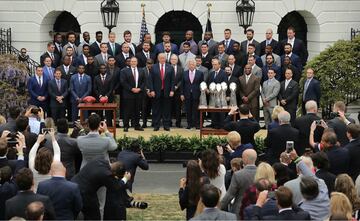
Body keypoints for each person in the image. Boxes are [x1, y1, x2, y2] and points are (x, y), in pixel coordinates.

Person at [289, 149, 330, 220]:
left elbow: (311, 176)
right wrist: (297, 158)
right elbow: (311, 176)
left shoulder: (303, 210)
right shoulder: (322, 187)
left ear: (303, 193)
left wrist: (297, 159)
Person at [220, 149, 257, 218]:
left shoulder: (238, 175)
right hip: (257, 210)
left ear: (245, 159)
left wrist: (218, 207)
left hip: (240, 210)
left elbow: (230, 194)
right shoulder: (261, 173)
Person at [148, 53, 175, 131]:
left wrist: (172, 90)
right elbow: (150, 80)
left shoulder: (170, 67)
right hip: (156, 92)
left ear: (166, 59)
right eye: (161, 58)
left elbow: (173, 80)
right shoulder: (153, 67)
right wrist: (152, 90)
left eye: (164, 58)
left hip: (167, 92)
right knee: (156, 109)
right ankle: (156, 125)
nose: (162, 59)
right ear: (158, 58)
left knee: (166, 109)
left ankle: (166, 125)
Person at [121, 57, 146, 132]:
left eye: (135, 61)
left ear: (137, 62)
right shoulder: (124, 71)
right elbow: (123, 82)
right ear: (130, 62)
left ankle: (137, 125)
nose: (133, 63)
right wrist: (131, 89)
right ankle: (126, 126)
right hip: (128, 94)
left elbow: (144, 81)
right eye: (132, 61)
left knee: (137, 111)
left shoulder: (141, 70)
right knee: (127, 111)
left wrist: (140, 89)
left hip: (139, 94)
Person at [181, 59, 203, 129]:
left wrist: (201, 95)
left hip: (196, 94)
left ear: (195, 65)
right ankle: (189, 124)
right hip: (187, 94)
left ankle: (196, 124)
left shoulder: (200, 73)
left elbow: (202, 84)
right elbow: (182, 85)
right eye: (190, 64)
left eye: (193, 64)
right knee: (188, 110)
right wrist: (182, 94)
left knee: (196, 110)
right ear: (188, 65)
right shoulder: (184, 73)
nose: (191, 66)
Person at [206, 58, 227, 129]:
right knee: (213, 111)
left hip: (220, 96)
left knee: (220, 112)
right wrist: (207, 89)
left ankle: (221, 125)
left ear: (219, 65)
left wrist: (216, 91)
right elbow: (208, 83)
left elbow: (224, 84)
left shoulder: (223, 73)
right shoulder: (211, 73)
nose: (213, 66)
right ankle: (214, 123)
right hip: (212, 97)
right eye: (213, 64)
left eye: (215, 64)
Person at [170, 54, 184, 128]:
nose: (173, 61)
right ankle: (169, 122)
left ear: (177, 60)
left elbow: (182, 80)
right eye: (172, 59)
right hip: (169, 91)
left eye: (175, 59)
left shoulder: (181, 69)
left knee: (178, 108)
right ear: (170, 60)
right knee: (169, 107)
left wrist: (177, 86)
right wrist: (172, 87)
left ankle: (178, 123)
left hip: (178, 91)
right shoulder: (167, 67)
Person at [142, 59, 154, 128]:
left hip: (153, 92)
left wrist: (152, 90)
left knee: (154, 108)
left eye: (151, 63)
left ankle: (154, 122)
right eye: (148, 63)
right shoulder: (142, 70)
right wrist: (147, 90)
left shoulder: (155, 70)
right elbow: (142, 82)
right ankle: (144, 123)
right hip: (144, 92)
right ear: (146, 63)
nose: (149, 65)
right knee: (144, 108)